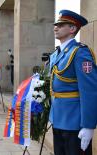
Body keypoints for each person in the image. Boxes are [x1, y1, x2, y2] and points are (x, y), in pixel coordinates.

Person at [49, 10, 97, 155]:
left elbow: (90, 90)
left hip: (74, 122)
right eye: (56, 25)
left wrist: (88, 126)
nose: (55, 27)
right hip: (57, 119)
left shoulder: (80, 53)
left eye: (61, 24)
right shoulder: (56, 54)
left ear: (72, 28)